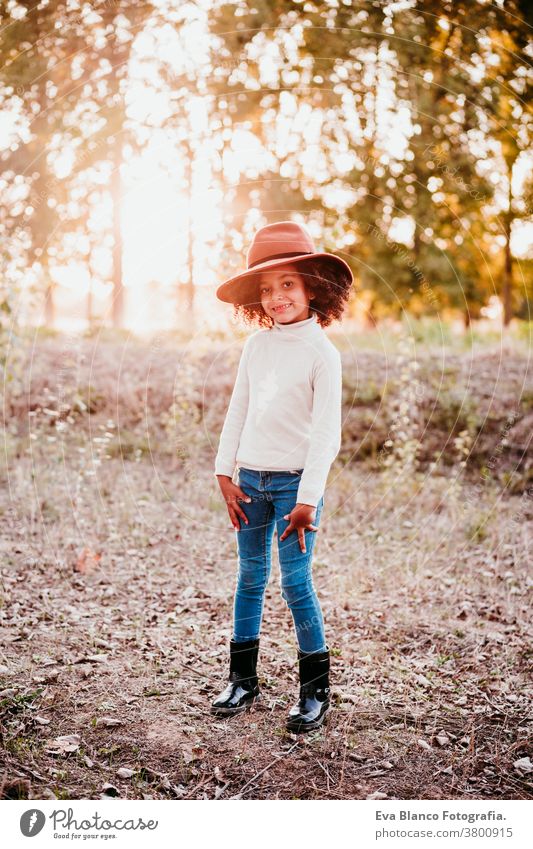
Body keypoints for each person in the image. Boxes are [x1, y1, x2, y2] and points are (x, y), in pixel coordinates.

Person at [211, 220, 353, 733]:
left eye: (287, 285)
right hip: (249, 480)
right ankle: (242, 680)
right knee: (250, 577)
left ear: (313, 285)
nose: (277, 297)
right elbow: (238, 410)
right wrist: (224, 472)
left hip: (295, 489)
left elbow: (326, 436)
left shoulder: (322, 353)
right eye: (266, 290)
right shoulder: (257, 347)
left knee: (295, 583)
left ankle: (315, 692)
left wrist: (308, 499)